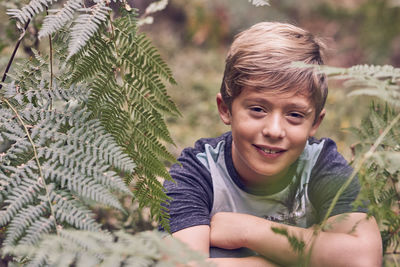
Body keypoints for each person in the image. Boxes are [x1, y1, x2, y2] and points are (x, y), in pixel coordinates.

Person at [162, 22, 382, 266]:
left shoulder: (322, 166)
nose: (274, 130)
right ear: (226, 109)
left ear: (315, 123)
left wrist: (249, 231)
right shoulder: (197, 172)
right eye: (257, 109)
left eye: (295, 115)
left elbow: (363, 259)